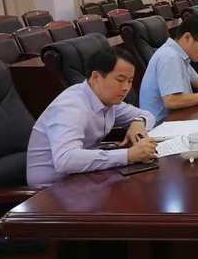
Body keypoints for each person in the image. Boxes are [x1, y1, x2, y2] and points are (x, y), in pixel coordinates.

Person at [26, 48, 157, 186]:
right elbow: (65, 160)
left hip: (83, 177)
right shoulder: (71, 106)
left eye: (130, 81)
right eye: (120, 80)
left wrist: (138, 122)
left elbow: (148, 115)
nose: (126, 88)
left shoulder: (108, 100)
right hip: (51, 189)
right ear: (96, 77)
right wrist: (128, 155)